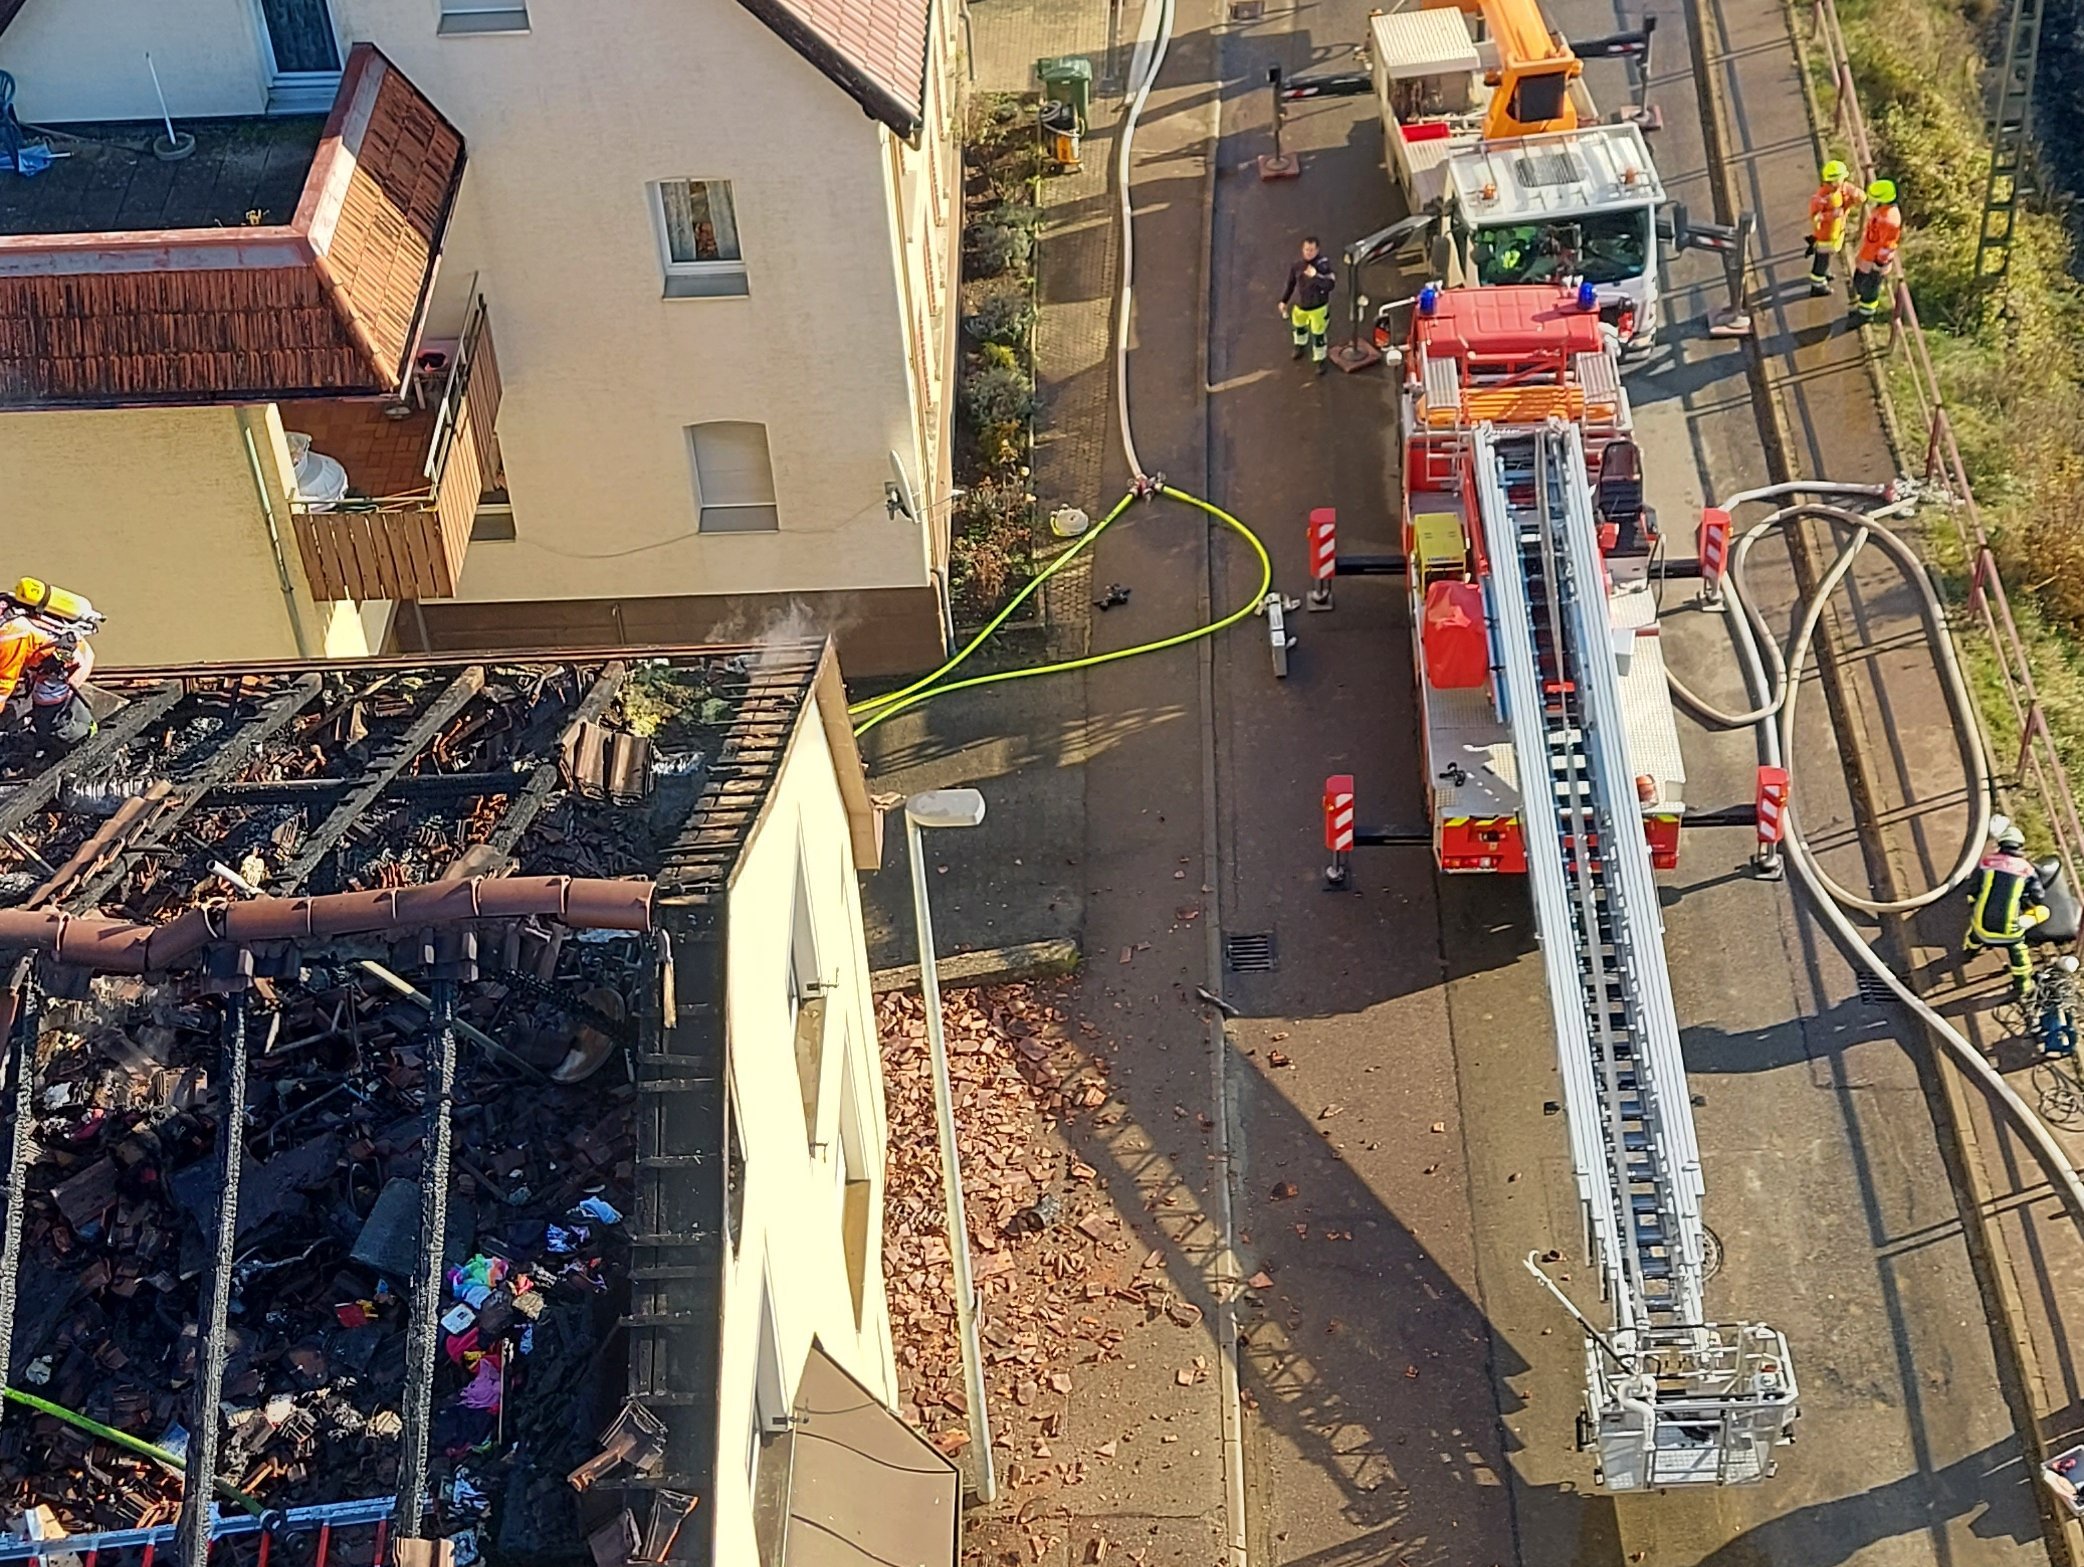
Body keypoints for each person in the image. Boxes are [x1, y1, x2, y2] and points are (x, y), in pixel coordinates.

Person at [0, 578, 100, 750]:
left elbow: (3, 686)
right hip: (43, 653)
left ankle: (84, 735)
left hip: (67, 660)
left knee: (50, 720)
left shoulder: (8, 636)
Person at [1964, 818, 2049, 998]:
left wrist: (1974, 903)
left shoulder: (1986, 862)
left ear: (2001, 844)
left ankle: (1970, 950)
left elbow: (1972, 889)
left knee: (1975, 929)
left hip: (1980, 927)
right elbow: (2038, 897)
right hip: (2009, 934)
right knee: (2021, 949)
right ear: (2020, 847)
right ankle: (2024, 986)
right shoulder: (2027, 870)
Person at [1279, 236, 1337, 375]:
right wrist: (1284, 301)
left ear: (1317, 250)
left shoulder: (1323, 265)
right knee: (1299, 329)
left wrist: (1315, 276)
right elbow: (1291, 284)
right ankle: (1300, 346)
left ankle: (1320, 360)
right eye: (1306, 249)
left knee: (1318, 336)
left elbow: (1330, 285)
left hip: (1318, 307)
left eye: (1311, 250)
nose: (1308, 253)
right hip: (1300, 306)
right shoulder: (1297, 266)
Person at [1805, 160, 1863, 297]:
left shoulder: (1841, 189)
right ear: (1835, 180)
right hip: (1825, 235)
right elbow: (1816, 217)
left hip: (1836, 232)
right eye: (1842, 178)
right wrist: (1831, 215)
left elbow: (1855, 197)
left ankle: (1824, 273)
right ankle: (1818, 284)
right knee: (1821, 260)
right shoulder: (1820, 198)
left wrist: (1857, 196)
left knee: (1828, 255)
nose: (1844, 181)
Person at [1851, 178, 1902, 324]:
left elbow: (1888, 246)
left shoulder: (1890, 220)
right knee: (1860, 284)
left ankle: (1865, 314)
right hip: (1868, 255)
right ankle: (1862, 309)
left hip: (1875, 261)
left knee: (1869, 290)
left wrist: (1878, 266)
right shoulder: (1882, 210)